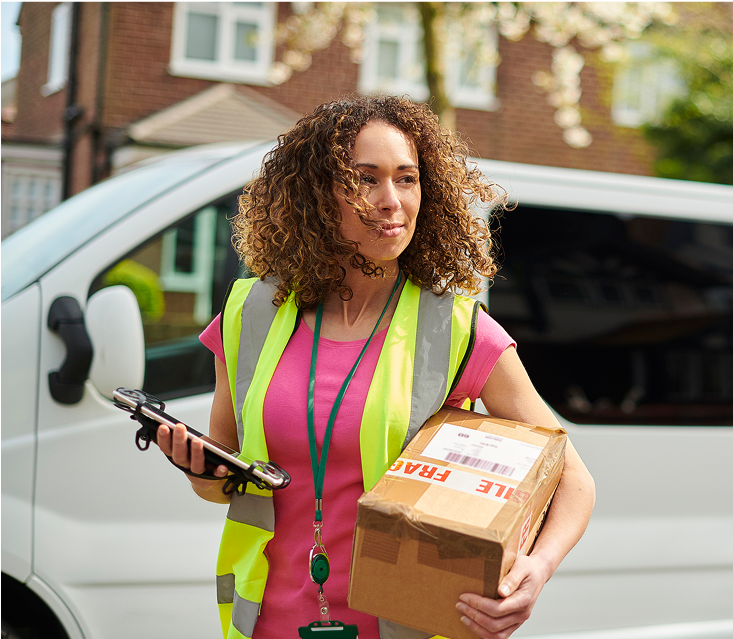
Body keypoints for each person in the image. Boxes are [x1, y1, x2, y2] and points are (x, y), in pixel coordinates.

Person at [156, 94, 596, 639]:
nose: (392, 200)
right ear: (317, 195)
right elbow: (225, 487)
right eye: (365, 179)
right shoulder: (250, 313)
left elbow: (574, 480)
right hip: (265, 623)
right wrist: (202, 472)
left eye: (407, 179)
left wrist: (537, 568)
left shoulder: (459, 329)